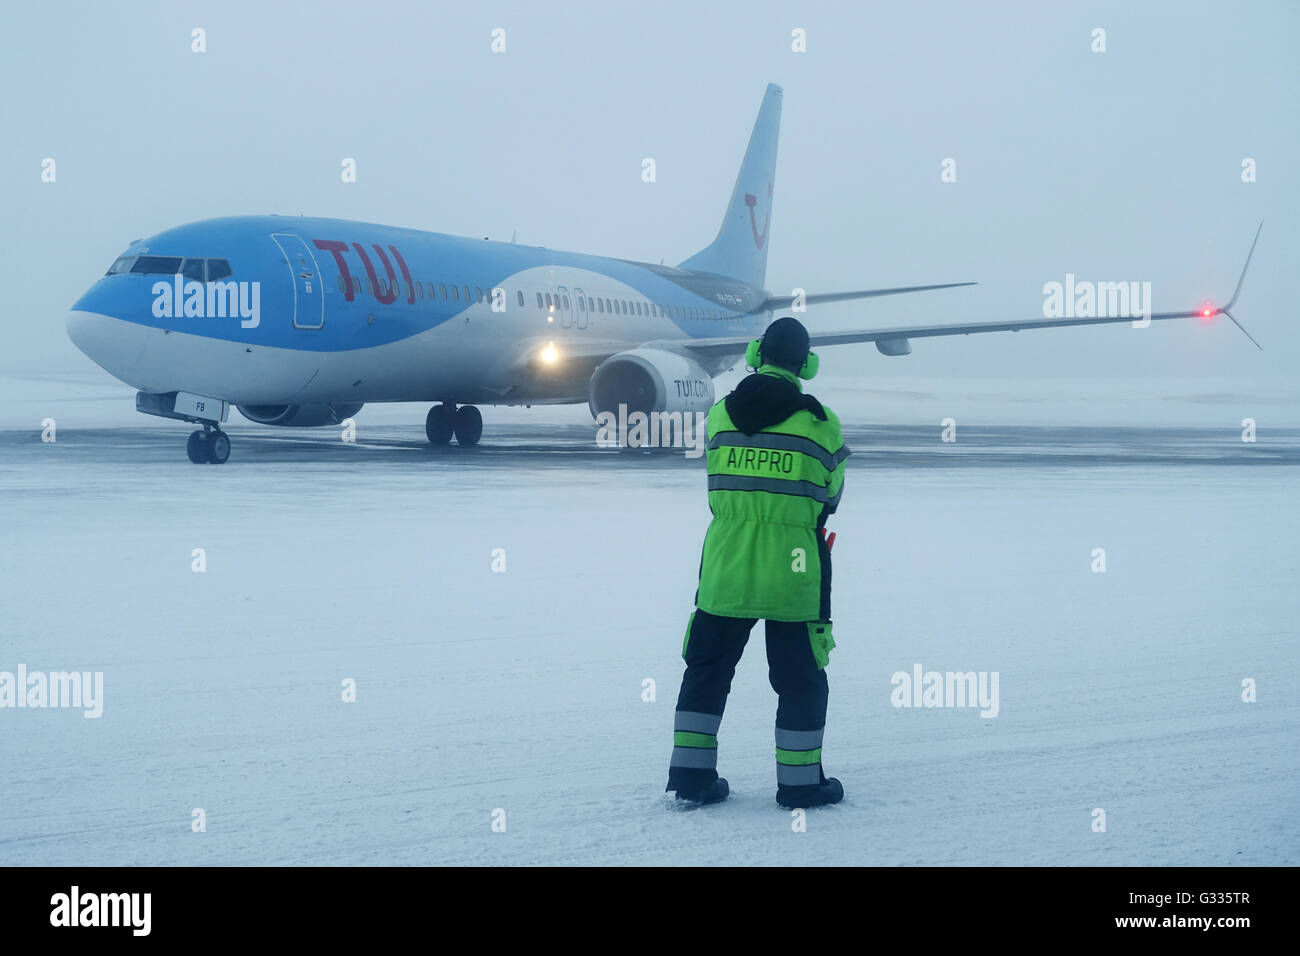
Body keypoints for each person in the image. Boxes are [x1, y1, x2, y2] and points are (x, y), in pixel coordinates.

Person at [666, 316, 850, 809]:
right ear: (806, 364)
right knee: (799, 680)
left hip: (726, 567)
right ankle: (799, 785)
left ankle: (691, 779)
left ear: (755, 355)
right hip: (792, 573)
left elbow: (716, 487)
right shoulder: (820, 422)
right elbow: (831, 496)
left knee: (706, 672)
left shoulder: (720, 415)